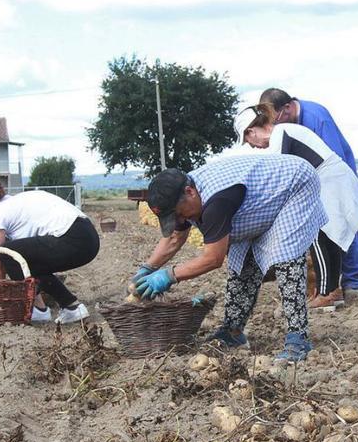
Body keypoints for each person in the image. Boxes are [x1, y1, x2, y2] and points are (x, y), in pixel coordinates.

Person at [134, 154, 327, 362]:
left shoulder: (217, 202)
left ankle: (298, 338)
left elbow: (212, 259)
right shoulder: (186, 196)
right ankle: (232, 332)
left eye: (179, 214)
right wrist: (147, 269)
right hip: (260, 199)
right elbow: (175, 237)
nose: (181, 221)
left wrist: (168, 276)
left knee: (287, 259)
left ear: (190, 192)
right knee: (241, 261)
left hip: (294, 184)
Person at [241, 103, 358, 309]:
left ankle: (327, 293)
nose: (252, 145)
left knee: (316, 235)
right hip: (332, 181)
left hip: (330, 181)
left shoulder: (280, 133)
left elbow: (280, 178)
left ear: (251, 130)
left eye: (247, 140)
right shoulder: (286, 131)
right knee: (328, 238)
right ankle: (331, 291)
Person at [0, 177, 99, 325]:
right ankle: (71, 308)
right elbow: (29, 262)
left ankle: (37, 309)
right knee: (28, 260)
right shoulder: (17, 204)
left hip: (72, 236)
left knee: (6, 252)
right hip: (89, 238)